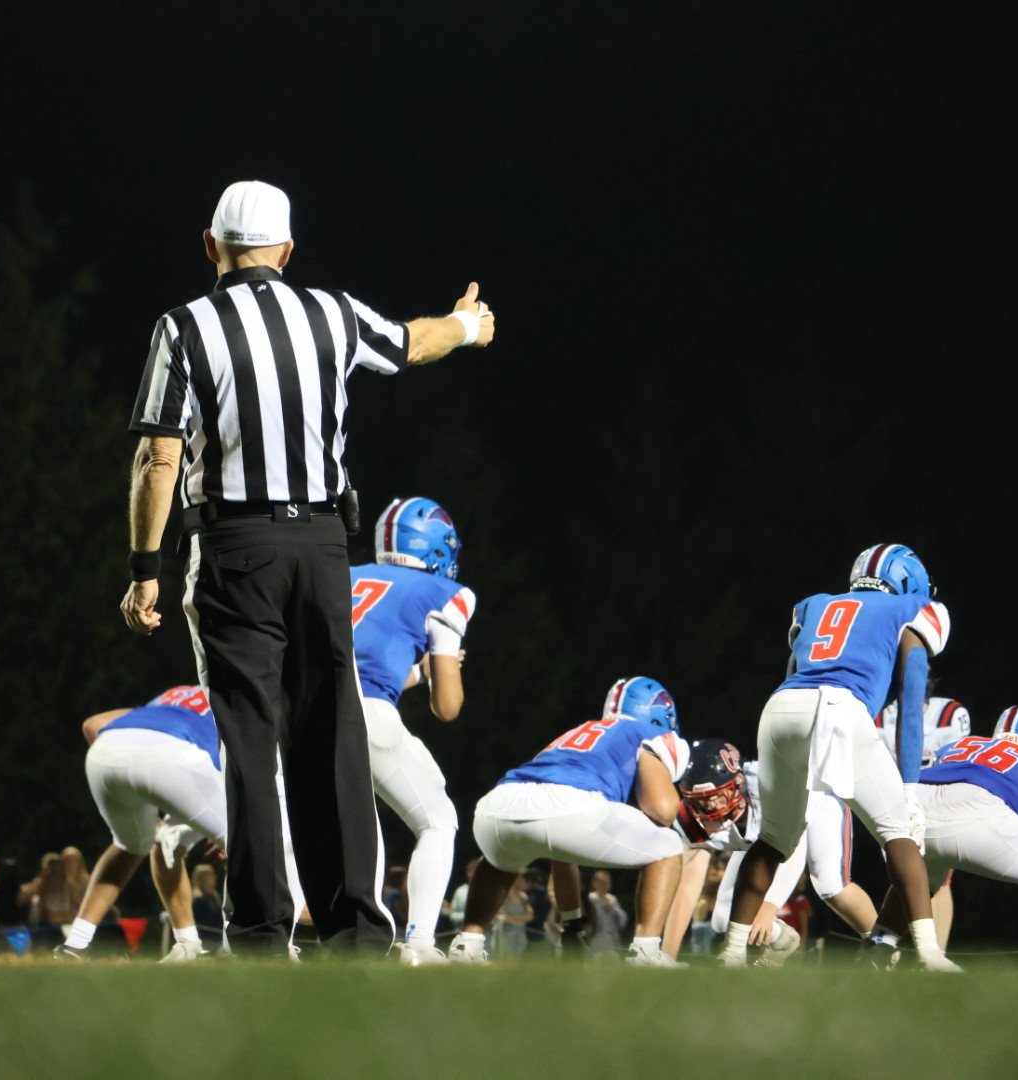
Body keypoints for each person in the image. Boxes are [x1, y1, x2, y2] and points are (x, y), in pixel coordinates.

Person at [119, 180, 494, 953]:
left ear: (210, 246)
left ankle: (259, 931)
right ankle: (354, 928)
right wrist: (467, 324)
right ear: (288, 251)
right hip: (324, 548)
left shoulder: (185, 326)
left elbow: (159, 456)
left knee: (251, 741)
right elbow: (412, 343)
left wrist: (143, 567)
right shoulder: (329, 311)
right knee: (334, 735)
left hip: (233, 549)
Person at [721, 544, 959, 971]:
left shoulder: (814, 605)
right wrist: (908, 787)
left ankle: (731, 952)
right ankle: (928, 954)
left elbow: (794, 670)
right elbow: (910, 696)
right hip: (840, 708)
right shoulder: (912, 608)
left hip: (779, 709)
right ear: (909, 580)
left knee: (773, 840)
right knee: (899, 832)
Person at [446, 679, 694, 967]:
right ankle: (646, 952)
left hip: (497, 807)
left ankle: (468, 943)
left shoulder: (579, 732)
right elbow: (663, 809)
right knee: (668, 843)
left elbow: (561, 851)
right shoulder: (649, 732)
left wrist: (573, 925)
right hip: (572, 808)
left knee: (501, 858)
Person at [350, 496, 476, 964]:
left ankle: (265, 941)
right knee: (438, 820)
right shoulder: (444, 594)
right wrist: (441, 671)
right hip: (367, 714)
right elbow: (447, 707)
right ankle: (420, 943)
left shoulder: (346, 575)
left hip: (296, 710)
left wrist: (419, 671)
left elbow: (367, 662)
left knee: (311, 827)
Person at [880, 704, 1018, 968]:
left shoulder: (961, 744)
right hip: (977, 809)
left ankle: (876, 946)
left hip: (909, 812)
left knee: (928, 866)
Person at [664, 739, 879, 965]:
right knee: (721, 918)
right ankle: (782, 939)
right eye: (701, 800)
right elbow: (687, 887)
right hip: (763, 839)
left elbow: (792, 847)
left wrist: (770, 905)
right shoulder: (689, 819)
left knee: (831, 885)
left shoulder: (766, 785)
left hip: (815, 809)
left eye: (717, 795)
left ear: (737, 782)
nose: (710, 806)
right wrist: (667, 954)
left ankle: (883, 944)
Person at [54, 686, 226, 962]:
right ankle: (256, 940)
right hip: (180, 756)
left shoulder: (175, 696)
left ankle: (75, 945)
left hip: (106, 752)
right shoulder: (241, 695)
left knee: (136, 845)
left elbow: (93, 725)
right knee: (256, 849)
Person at [877, 687, 973, 947]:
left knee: (940, 877)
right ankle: (886, 944)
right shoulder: (882, 714)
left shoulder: (950, 714)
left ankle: (933, 951)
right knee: (901, 874)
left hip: (937, 798)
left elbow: (956, 761)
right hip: (898, 801)